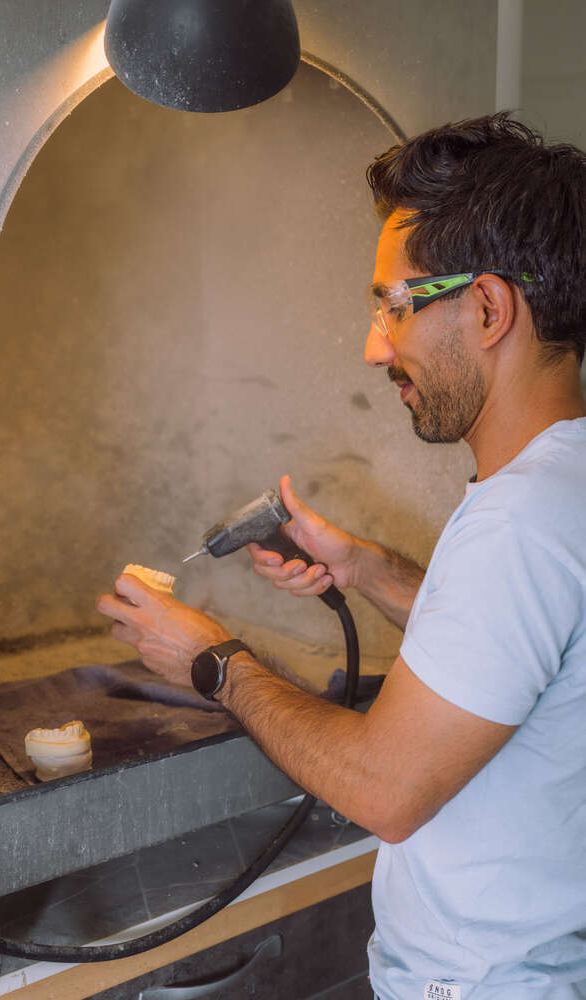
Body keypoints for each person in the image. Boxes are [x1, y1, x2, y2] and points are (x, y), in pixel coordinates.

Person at [98, 114, 586, 998]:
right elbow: (520, 654)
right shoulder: (564, 488)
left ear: (485, 307)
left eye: (392, 305)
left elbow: (382, 790)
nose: (373, 347)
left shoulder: (518, 523)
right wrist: (365, 570)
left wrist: (208, 657)